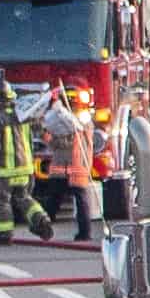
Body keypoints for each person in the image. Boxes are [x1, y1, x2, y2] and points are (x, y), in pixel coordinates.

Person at [0, 79, 54, 244]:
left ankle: (4, 237)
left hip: (4, 172)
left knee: (2, 202)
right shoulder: (23, 115)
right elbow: (41, 130)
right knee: (25, 198)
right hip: (26, 170)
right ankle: (41, 219)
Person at [41, 86, 102, 242]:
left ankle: (46, 230)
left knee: (59, 201)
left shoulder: (79, 120)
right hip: (73, 167)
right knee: (63, 201)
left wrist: (48, 137)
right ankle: (81, 233)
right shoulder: (82, 117)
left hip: (70, 166)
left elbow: (63, 142)